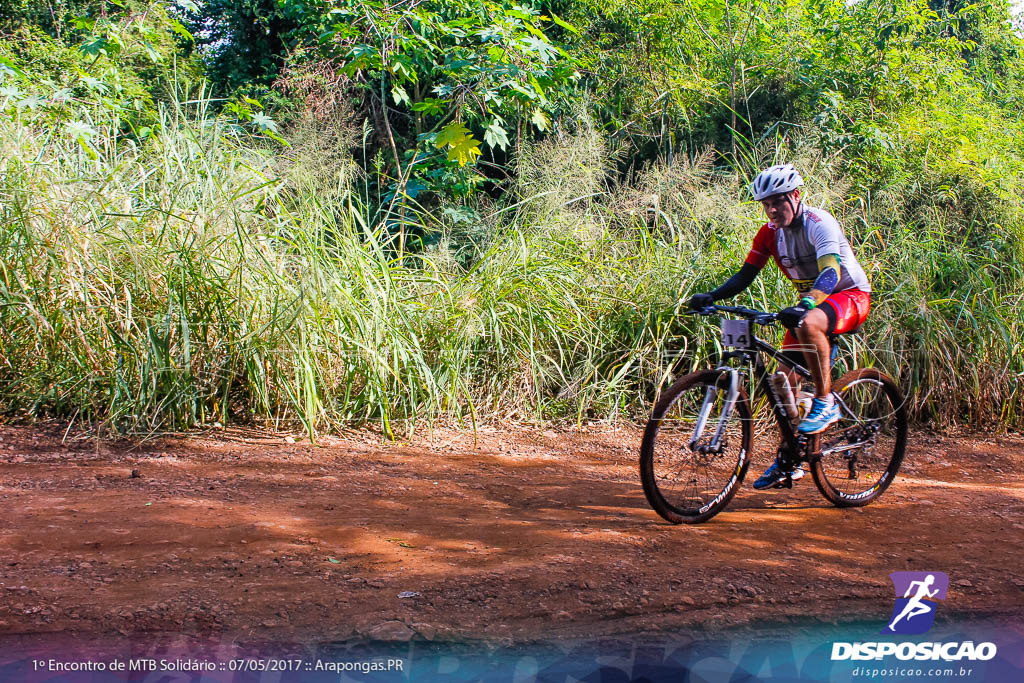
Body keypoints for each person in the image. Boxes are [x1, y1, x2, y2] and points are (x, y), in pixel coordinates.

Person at [688, 164, 871, 489]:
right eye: (766, 204)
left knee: (807, 323)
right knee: (780, 382)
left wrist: (807, 303)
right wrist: (711, 296)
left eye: (779, 201)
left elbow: (830, 272)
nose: (773, 209)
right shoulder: (769, 233)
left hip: (848, 296)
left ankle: (826, 402)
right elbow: (746, 276)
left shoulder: (819, 223)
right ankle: (791, 457)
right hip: (810, 308)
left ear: (796, 196)